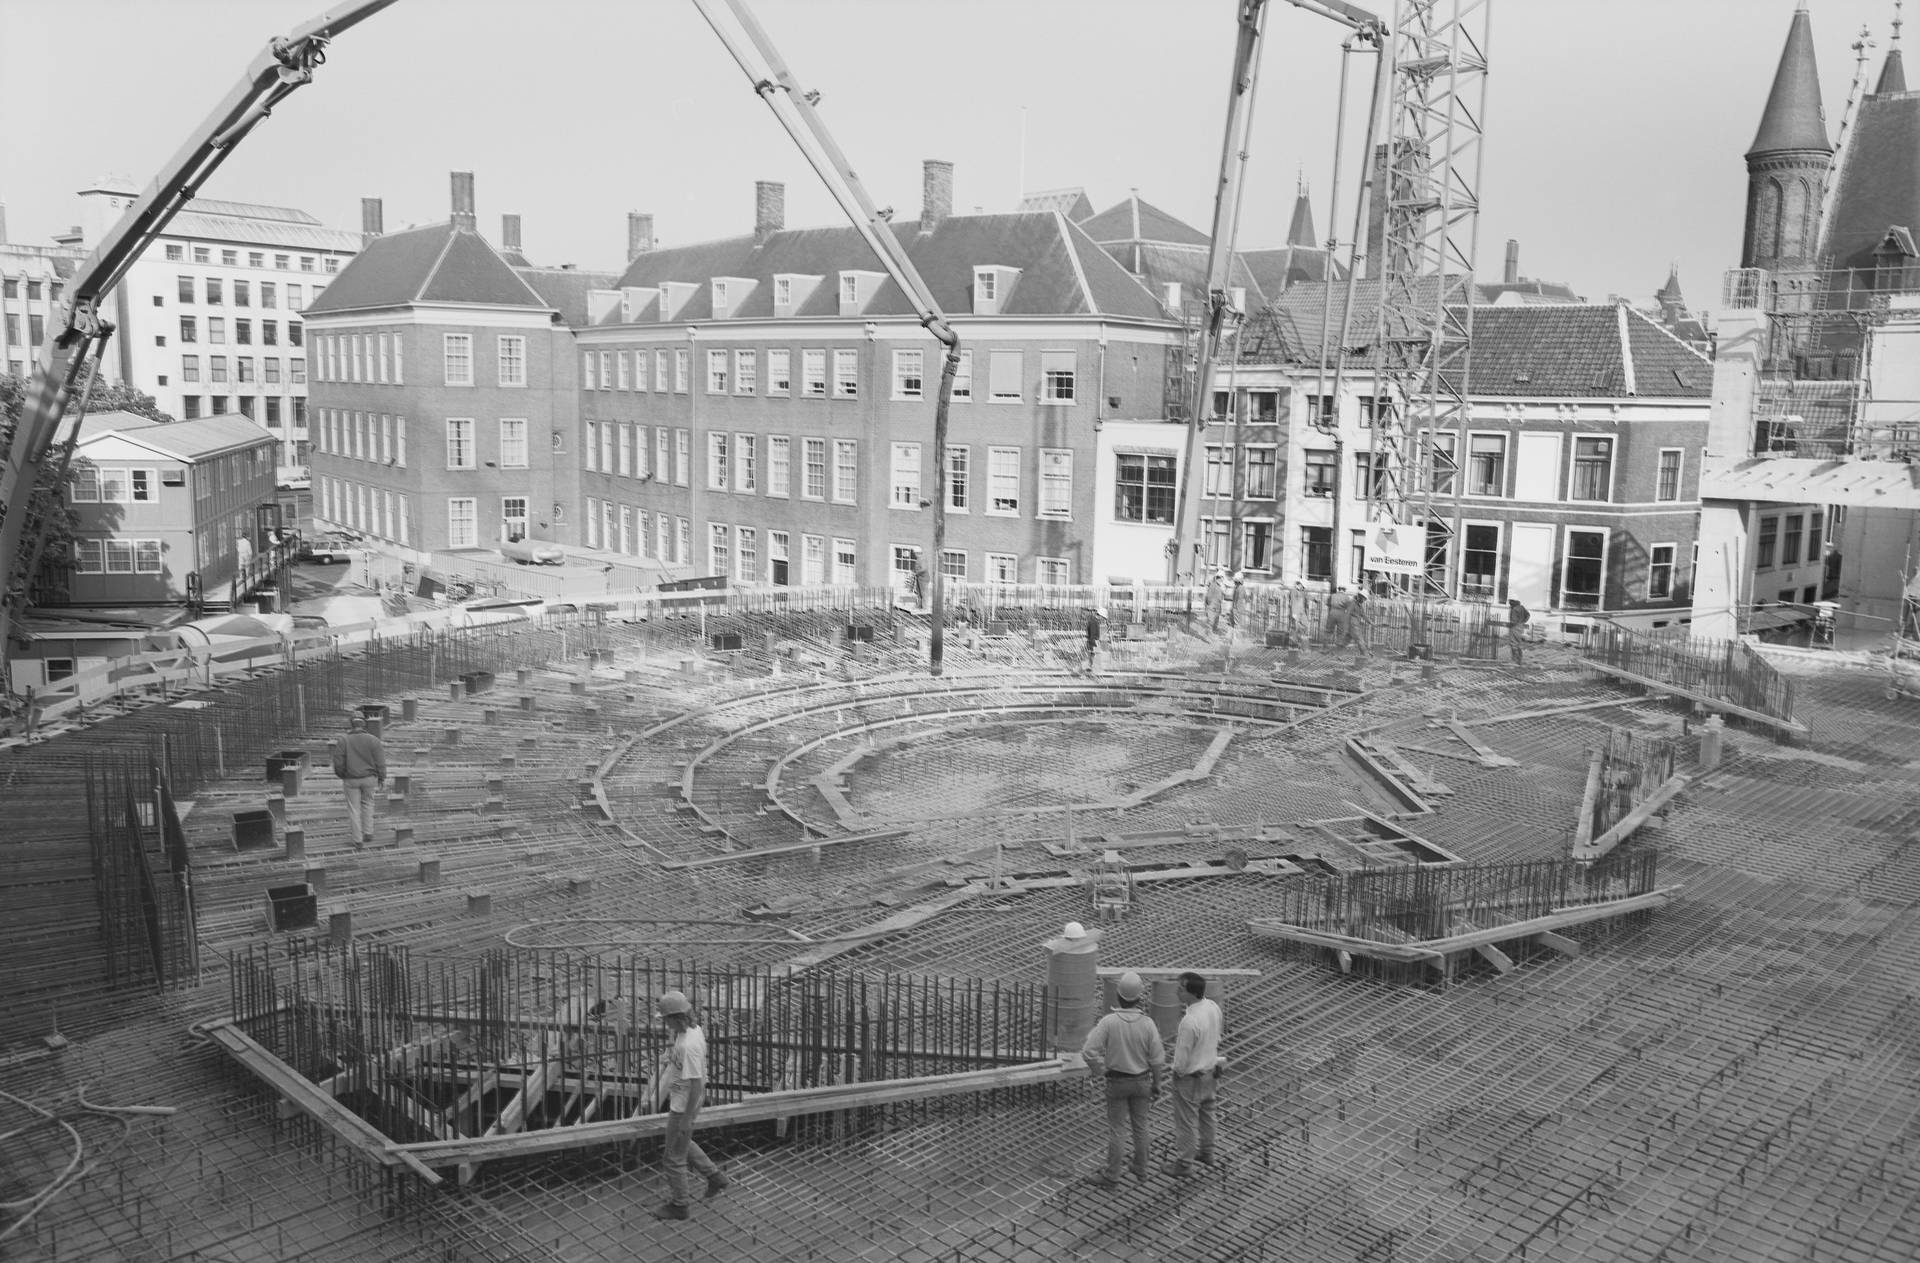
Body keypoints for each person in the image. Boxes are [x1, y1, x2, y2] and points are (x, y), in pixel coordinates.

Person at [1080, 970, 1165, 1187]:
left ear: (1118, 996)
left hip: (1117, 1082)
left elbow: (1089, 1051)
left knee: (1117, 1129)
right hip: (1142, 1081)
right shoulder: (1148, 1024)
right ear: (1140, 997)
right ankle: (1141, 1167)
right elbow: (1157, 1059)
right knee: (1141, 1126)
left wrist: (1102, 1070)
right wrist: (1157, 1084)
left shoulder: (1109, 1022)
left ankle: (1112, 1175)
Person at [651, 990, 728, 1220]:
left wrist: (685, 1118)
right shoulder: (693, 1030)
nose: (664, 1023)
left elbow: (696, 1083)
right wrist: (671, 1058)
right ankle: (715, 1177)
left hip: (684, 1104)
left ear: (676, 1018)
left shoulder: (688, 1046)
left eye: (665, 1019)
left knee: (673, 1157)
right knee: (682, 1142)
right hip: (684, 1100)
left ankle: (680, 1205)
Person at [1161, 971, 1224, 1178]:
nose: (1177, 991)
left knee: (1185, 1121)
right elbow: (1217, 1035)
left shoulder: (1189, 1021)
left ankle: (1184, 1163)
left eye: (1181, 988)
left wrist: (1177, 1074)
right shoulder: (1213, 1007)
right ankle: (1207, 1152)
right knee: (1207, 1114)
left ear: (1191, 993)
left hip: (1191, 1078)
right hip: (1210, 1072)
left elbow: (1181, 1058)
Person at [331, 714, 385, 848]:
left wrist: (343, 775)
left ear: (351, 725)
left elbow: (338, 762)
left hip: (351, 780)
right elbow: (380, 762)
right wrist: (382, 777)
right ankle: (368, 832)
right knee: (368, 803)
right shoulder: (374, 740)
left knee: (354, 809)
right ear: (364, 725)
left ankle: (357, 840)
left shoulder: (343, 740)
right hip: (369, 779)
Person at [1507, 598, 1531, 664]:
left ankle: (1514, 660)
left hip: (1514, 627)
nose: (1509, 603)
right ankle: (1519, 660)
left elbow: (1513, 621)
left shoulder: (1514, 609)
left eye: (1510, 601)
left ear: (1513, 601)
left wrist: (1508, 624)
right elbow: (1528, 615)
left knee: (1513, 643)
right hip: (1521, 626)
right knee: (1518, 643)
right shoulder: (1521, 607)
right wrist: (1523, 621)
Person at [1204, 569, 1226, 635]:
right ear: (1220, 577)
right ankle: (1208, 636)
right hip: (1212, 607)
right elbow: (1208, 596)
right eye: (1222, 578)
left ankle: (1213, 633)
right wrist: (1210, 605)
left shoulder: (1220, 586)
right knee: (1210, 621)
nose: (1223, 579)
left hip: (1217, 607)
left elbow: (1221, 596)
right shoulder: (1213, 585)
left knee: (1215, 621)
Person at [1085, 606, 1106, 673]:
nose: (1103, 619)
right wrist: (1093, 645)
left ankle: (1090, 671)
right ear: (1100, 615)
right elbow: (1092, 635)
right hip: (1093, 642)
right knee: (1093, 658)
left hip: (1093, 642)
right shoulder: (1094, 622)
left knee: (1092, 658)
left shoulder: (1094, 621)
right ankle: (1089, 671)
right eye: (1103, 618)